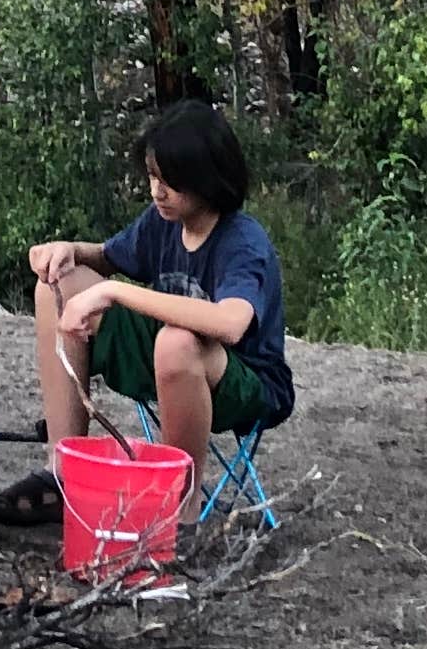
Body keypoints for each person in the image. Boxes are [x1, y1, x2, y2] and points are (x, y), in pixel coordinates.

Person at [27, 101, 294, 465]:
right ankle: (62, 469)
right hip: (165, 366)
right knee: (56, 284)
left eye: (171, 182)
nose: (157, 191)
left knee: (176, 341)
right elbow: (108, 256)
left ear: (208, 178)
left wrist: (113, 290)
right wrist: (68, 249)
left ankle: (179, 504)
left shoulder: (242, 242)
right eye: (153, 176)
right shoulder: (162, 221)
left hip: (245, 383)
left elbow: (230, 324)